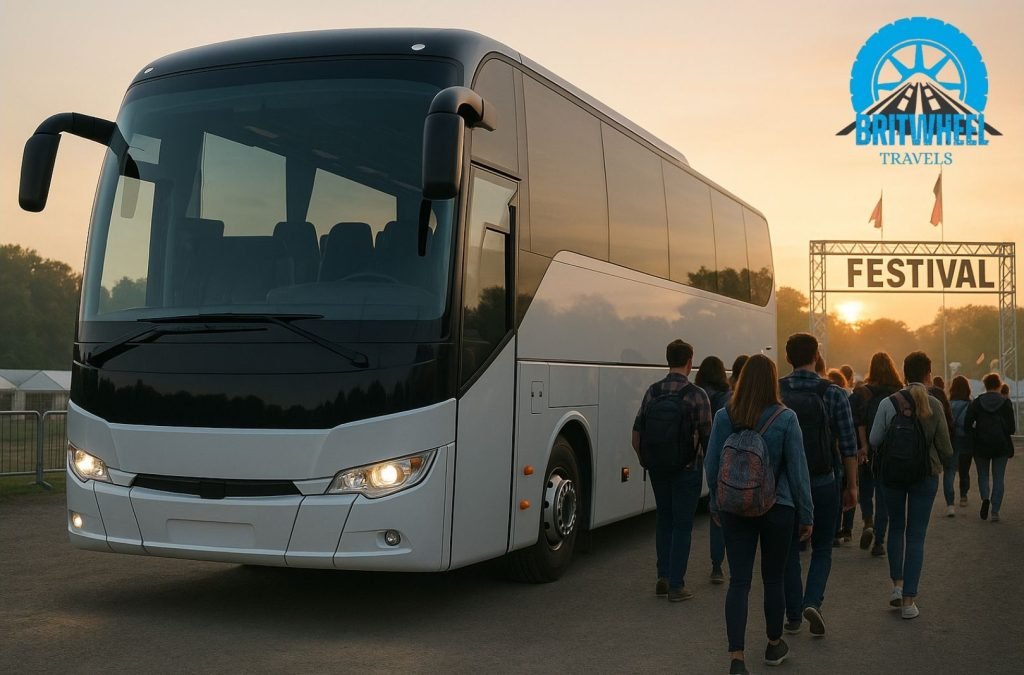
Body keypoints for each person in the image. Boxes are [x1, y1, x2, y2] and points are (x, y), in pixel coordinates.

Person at [705, 354, 813, 674]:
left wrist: (716, 503)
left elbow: (712, 466)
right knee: (773, 578)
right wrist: (806, 513)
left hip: (735, 508)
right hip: (778, 507)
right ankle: (773, 643)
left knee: (739, 581)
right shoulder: (786, 418)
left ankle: (736, 658)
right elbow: (798, 471)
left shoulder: (726, 416)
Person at [779, 333, 858, 638]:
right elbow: (848, 445)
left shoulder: (777, 390)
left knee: (788, 549)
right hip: (825, 480)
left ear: (788, 358)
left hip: (785, 484)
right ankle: (813, 601)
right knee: (823, 546)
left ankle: (793, 614)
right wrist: (852, 486)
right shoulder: (833, 393)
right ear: (816, 356)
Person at [869, 351, 954, 619]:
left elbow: (873, 440)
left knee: (896, 528)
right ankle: (909, 602)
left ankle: (896, 586)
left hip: (892, 475)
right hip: (925, 476)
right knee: (916, 535)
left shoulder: (888, 403)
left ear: (904, 374)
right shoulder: (934, 404)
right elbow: (946, 449)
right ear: (928, 374)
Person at [632, 340, 712, 601]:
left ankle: (663, 577)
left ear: (668, 360)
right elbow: (708, 436)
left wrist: (647, 461)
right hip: (688, 469)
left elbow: (636, 435)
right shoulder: (697, 395)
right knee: (682, 525)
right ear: (690, 361)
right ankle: (677, 585)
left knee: (664, 520)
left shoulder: (652, 392)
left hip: (658, 469)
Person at [850, 352, 903, 556]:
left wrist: (863, 445)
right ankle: (879, 541)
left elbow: (858, 421)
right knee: (884, 495)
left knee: (866, 488)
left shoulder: (862, 393)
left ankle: (868, 522)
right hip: (889, 451)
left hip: (867, 449)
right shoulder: (899, 393)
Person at [695, 355, 731, 585]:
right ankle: (725, 564)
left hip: (703, 457)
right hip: (726, 458)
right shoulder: (728, 398)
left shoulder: (696, 394)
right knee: (728, 511)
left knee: (714, 510)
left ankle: (716, 566)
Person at [965, 373, 1016, 522]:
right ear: (999, 385)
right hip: (1001, 446)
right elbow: (1012, 428)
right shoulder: (1006, 403)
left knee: (983, 475)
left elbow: (967, 424)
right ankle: (995, 511)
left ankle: (985, 498)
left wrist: (976, 433)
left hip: (981, 445)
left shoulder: (977, 402)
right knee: (998, 478)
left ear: (985, 385)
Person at [826, 368, 855, 544]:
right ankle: (848, 529)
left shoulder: (782, 389)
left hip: (822, 456)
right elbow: (848, 438)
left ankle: (834, 530)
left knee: (835, 496)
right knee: (844, 491)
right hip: (839, 455)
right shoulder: (842, 395)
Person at [947, 376, 974, 511]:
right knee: (964, 470)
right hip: (966, 440)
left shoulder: (948, 404)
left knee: (951, 470)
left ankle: (950, 502)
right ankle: (963, 496)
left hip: (952, 440)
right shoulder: (970, 404)